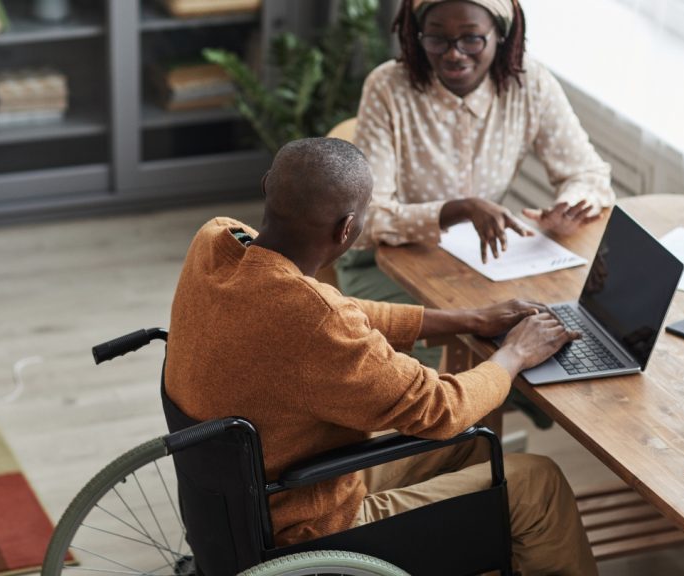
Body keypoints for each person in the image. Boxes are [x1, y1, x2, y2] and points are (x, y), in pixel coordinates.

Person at [166, 137, 597, 575]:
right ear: (347, 229)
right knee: (536, 483)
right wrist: (516, 353)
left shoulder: (216, 240)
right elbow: (442, 408)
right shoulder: (316, 323)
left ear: (267, 187)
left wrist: (468, 319)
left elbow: (331, 310)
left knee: (472, 449)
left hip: (245, 506)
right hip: (310, 530)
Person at [338, 0, 615, 424]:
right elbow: (365, 221)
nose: (453, 53)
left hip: (483, 265)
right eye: (437, 38)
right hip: (383, 262)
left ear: (501, 34)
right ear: (416, 34)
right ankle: (469, 453)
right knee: (488, 346)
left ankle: (483, 450)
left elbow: (589, 173)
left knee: (542, 331)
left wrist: (570, 205)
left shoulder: (529, 84)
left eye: (471, 37)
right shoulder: (388, 87)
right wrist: (456, 210)